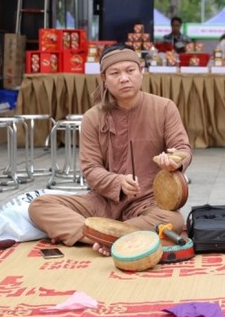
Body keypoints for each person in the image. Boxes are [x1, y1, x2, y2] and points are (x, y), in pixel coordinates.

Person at [29, 45, 192, 254]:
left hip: (148, 202)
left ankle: (101, 236)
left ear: (141, 72)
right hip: (103, 202)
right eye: (115, 73)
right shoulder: (93, 117)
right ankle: (115, 237)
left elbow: (183, 148)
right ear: (104, 78)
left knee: (172, 219)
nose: (124, 78)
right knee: (40, 205)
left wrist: (174, 160)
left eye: (130, 71)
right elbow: (90, 168)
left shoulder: (164, 107)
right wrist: (118, 182)